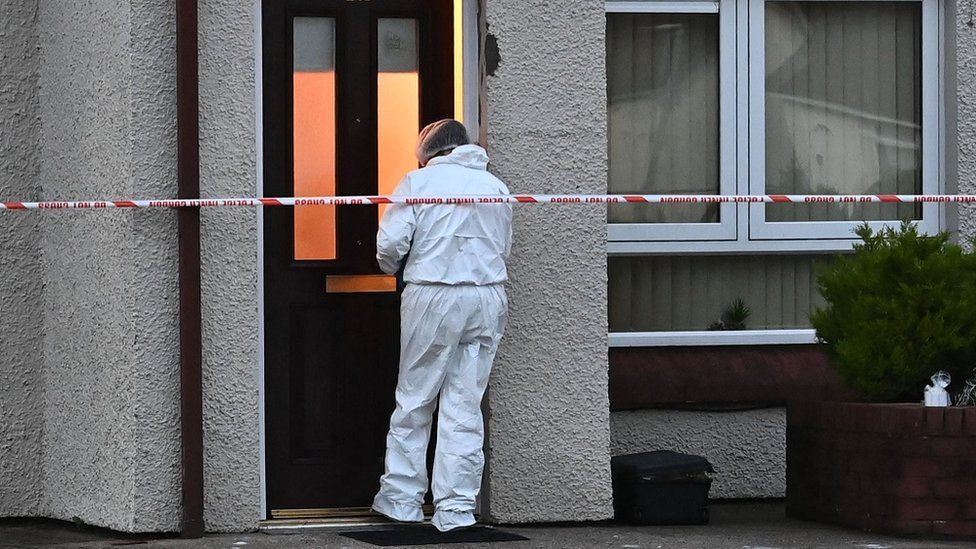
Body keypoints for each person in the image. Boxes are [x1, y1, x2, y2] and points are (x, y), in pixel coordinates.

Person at [372, 119, 512, 532]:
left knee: (416, 398)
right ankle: (456, 509)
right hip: (487, 295)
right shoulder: (496, 187)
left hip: (433, 295)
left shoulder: (418, 183)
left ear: (428, 152)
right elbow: (503, 246)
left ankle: (402, 501)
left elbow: (389, 246)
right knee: (465, 405)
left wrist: (390, 268)